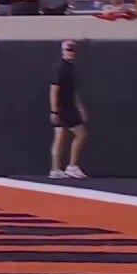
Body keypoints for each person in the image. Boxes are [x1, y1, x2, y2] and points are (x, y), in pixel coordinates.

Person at [49, 40, 88, 179]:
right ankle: (71, 166)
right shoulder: (61, 67)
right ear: (62, 51)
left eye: (72, 51)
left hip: (68, 107)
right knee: (81, 134)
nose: (70, 53)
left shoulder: (70, 68)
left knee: (60, 137)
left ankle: (56, 169)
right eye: (67, 50)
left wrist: (80, 108)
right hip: (64, 108)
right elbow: (54, 89)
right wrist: (54, 110)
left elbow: (73, 91)